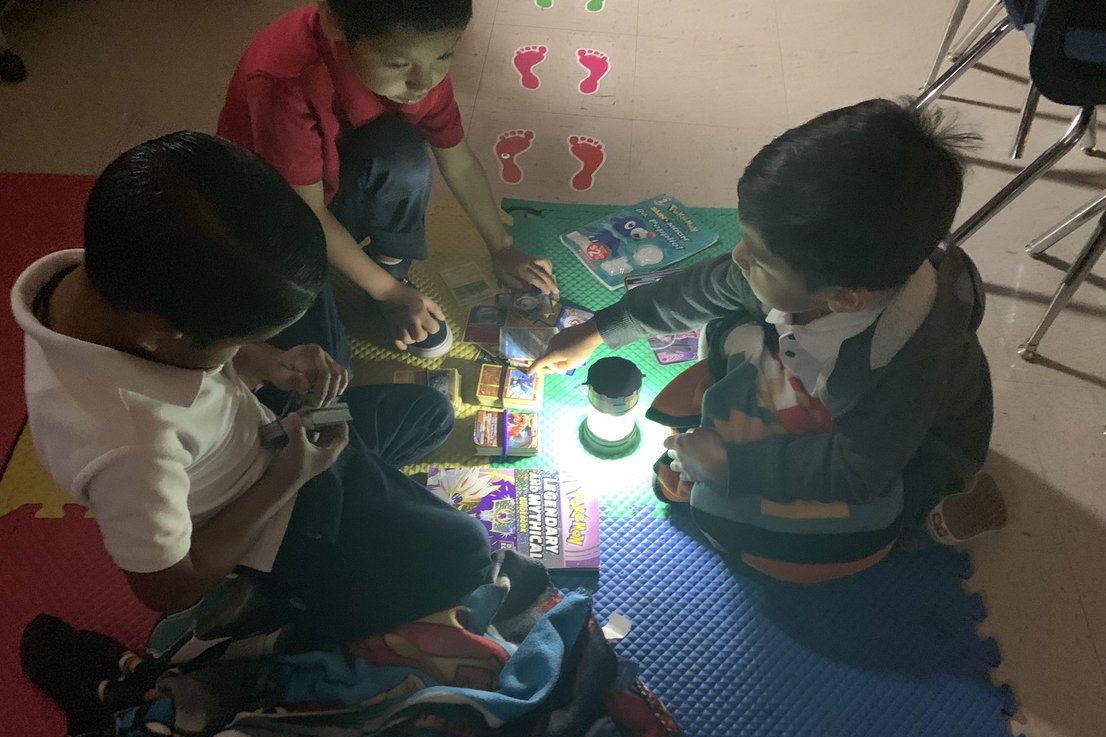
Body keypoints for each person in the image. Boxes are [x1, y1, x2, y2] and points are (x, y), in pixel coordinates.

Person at [13, 131, 492, 647]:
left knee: (430, 413)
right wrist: (288, 479)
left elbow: (197, 348)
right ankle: (280, 614)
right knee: (467, 552)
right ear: (163, 334)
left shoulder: (105, 278)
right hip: (265, 519)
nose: (248, 350)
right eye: (241, 340)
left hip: (263, 438)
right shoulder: (130, 448)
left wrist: (272, 359)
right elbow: (169, 589)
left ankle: (349, 517)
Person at [530, 99, 1006, 583]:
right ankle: (744, 448)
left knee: (730, 520)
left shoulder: (903, 369)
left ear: (843, 298)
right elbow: (699, 290)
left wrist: (732, 464)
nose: (737, 255)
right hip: (824, 394)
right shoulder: (827, 274)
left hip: (898, 464)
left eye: (759, 258)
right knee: (727, 325)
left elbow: (856, 472)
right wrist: (599, 331)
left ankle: (928, 523)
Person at [217, 0, 558, 370]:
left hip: (334, 181)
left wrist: (501, 246)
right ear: (334, 24)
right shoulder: (283, 79)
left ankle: (389, 269)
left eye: (445, 55)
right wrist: (393, 294)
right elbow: (305, 213)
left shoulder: (415, 64)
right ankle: (375, 290)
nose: (424, 81)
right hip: (269, 217)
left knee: (404, 154)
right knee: (325, 368)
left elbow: (458, 162)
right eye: (398, 64)